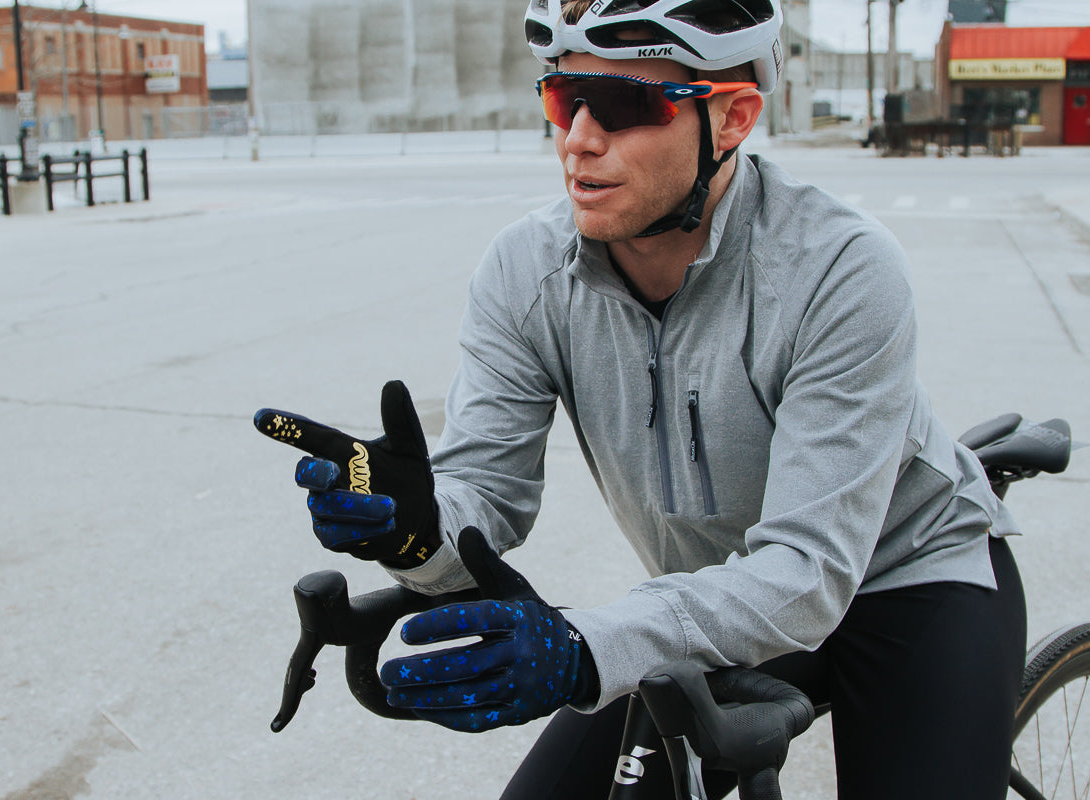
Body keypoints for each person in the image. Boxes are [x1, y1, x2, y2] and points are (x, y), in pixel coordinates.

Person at [254, 0, 1027, 797]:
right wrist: (418, 533)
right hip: (724, 592)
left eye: (623, 105)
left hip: (908, 577)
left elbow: (806, 568)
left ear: (730, 118)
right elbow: (484, 494)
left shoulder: (839, 269)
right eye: (563, 97)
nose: (579, 138)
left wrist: (583, 649)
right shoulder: (527, 273)